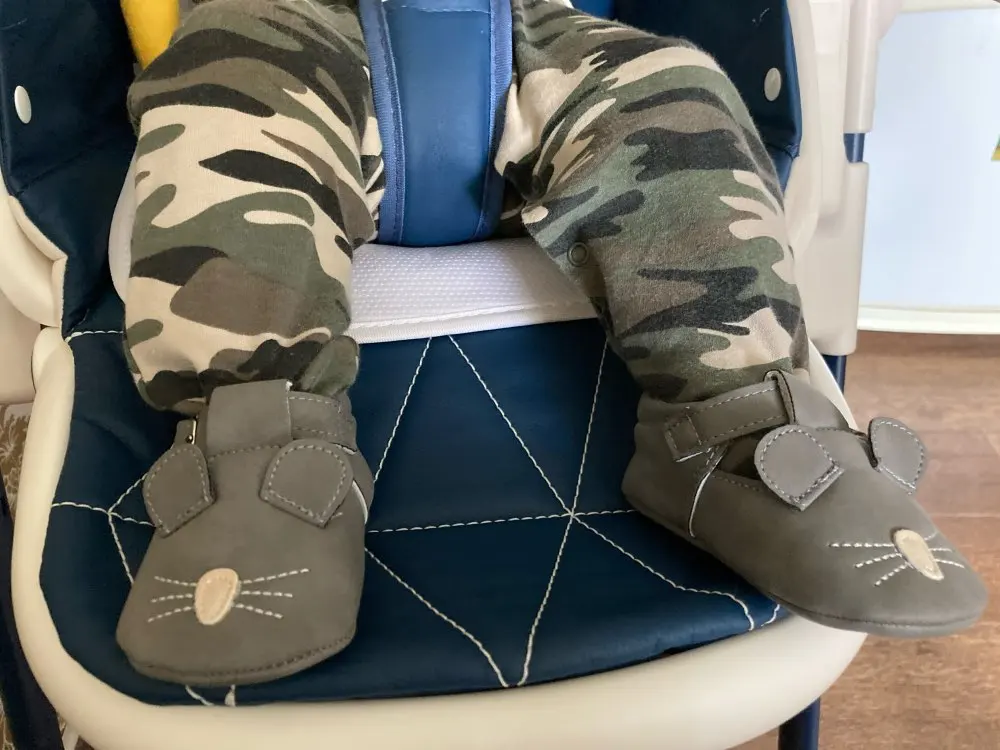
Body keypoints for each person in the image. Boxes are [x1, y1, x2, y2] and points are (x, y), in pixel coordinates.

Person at [115, 0, 986, 688]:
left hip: (527, 38)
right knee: (223, 90)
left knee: (669, 86)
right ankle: (257, 447)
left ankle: (738, 424)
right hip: (291, 30)